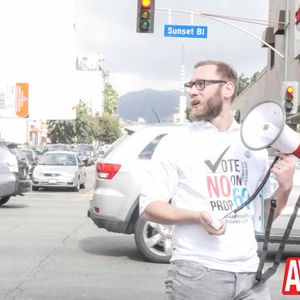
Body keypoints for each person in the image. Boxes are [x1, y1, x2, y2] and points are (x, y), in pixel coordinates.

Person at [139, 60, 295, 300]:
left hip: (250, 275)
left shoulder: (254, 144)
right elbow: (149, 208)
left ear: (228, 89)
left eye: (201, 84)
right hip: (198, 274)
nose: (192, 91)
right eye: (191, 85)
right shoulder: (176, 142)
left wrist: (284, 189)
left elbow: (263, 217)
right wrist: (197, 216)